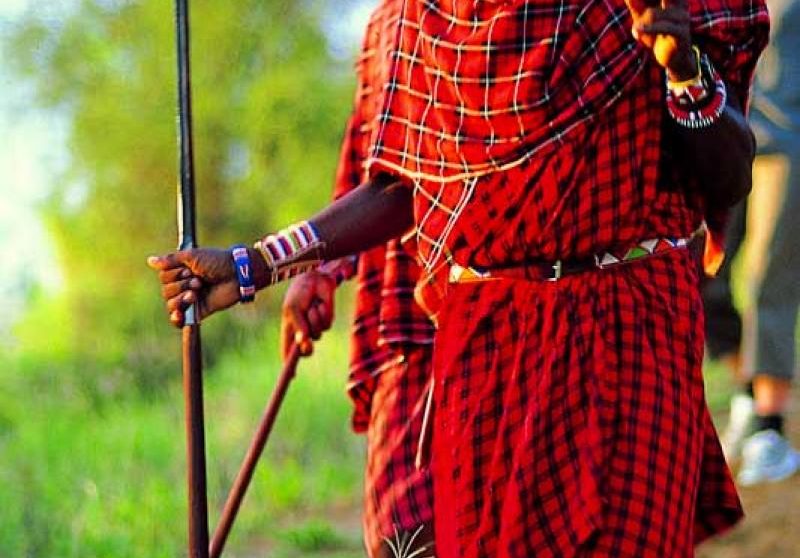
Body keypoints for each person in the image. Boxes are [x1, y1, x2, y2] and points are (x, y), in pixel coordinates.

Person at [149, 1, 769, 555]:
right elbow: (401, 184)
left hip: (629, 328)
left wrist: (683, 69)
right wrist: (255, 264)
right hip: (487, 346)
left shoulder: (652, 8)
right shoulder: (424, 20)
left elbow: (730, 177)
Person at [279, 1, 436, 555]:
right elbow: (368, 162)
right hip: (406, 326)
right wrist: (319, 267)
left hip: (511, 319)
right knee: (404, 536)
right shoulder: (389, 20)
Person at [705, 0, 800, 486]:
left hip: (787, 145)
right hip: (724, 139)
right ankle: (747, 390)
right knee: (701, 276)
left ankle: (770, 426)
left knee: (768, 279)